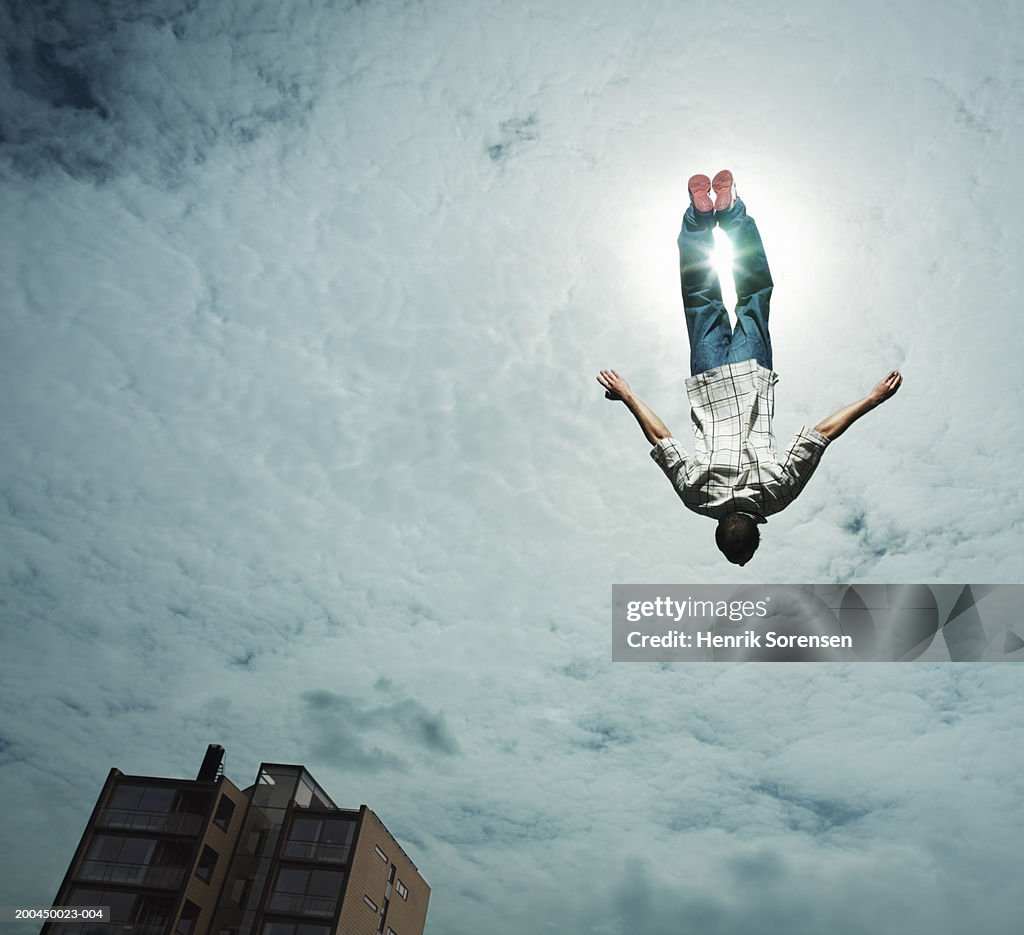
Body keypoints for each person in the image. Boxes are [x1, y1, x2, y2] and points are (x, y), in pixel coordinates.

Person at [596, 169, 902, 566]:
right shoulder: (696, 497)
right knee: (700, 296)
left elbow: (823, 433)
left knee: (754, 292)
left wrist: (873, 398)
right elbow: (661, 439)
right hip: (705, 377)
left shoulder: (776, 495)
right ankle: (700, 216)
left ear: (756, 531)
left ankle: (732, 212)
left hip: (751, 369)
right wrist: (627, 396)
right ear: (717, 531)